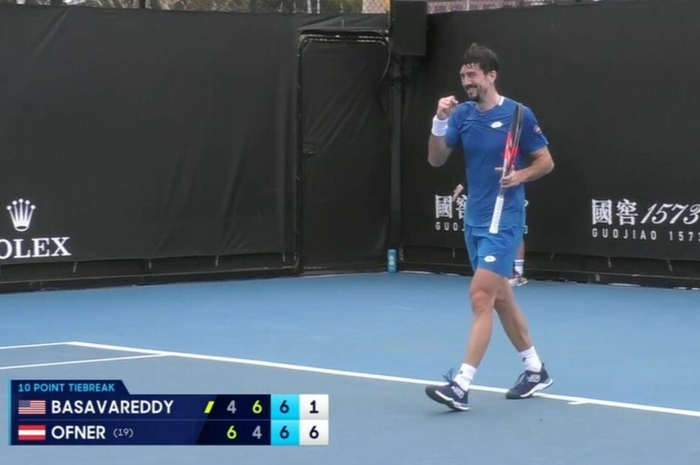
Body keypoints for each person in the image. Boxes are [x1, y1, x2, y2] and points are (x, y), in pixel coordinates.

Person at [425, 43, 555, 411]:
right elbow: (436, 159)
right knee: (499, 298)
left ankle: (461, 385)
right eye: (463, 75)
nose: (467, 81)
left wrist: (520, 175)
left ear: (491, 76)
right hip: (475, 220)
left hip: (505, 218)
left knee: (480, 297)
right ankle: (535, 370)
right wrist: (439, 121)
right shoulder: (462, 115)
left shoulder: (518, 115)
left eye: (473, 74)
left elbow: (545, 162)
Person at [452, 183, 528, 287]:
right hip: (482, 207)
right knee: (493, 286)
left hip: (508, 203)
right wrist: (463, 184)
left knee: (513, 231)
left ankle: (517, 272)